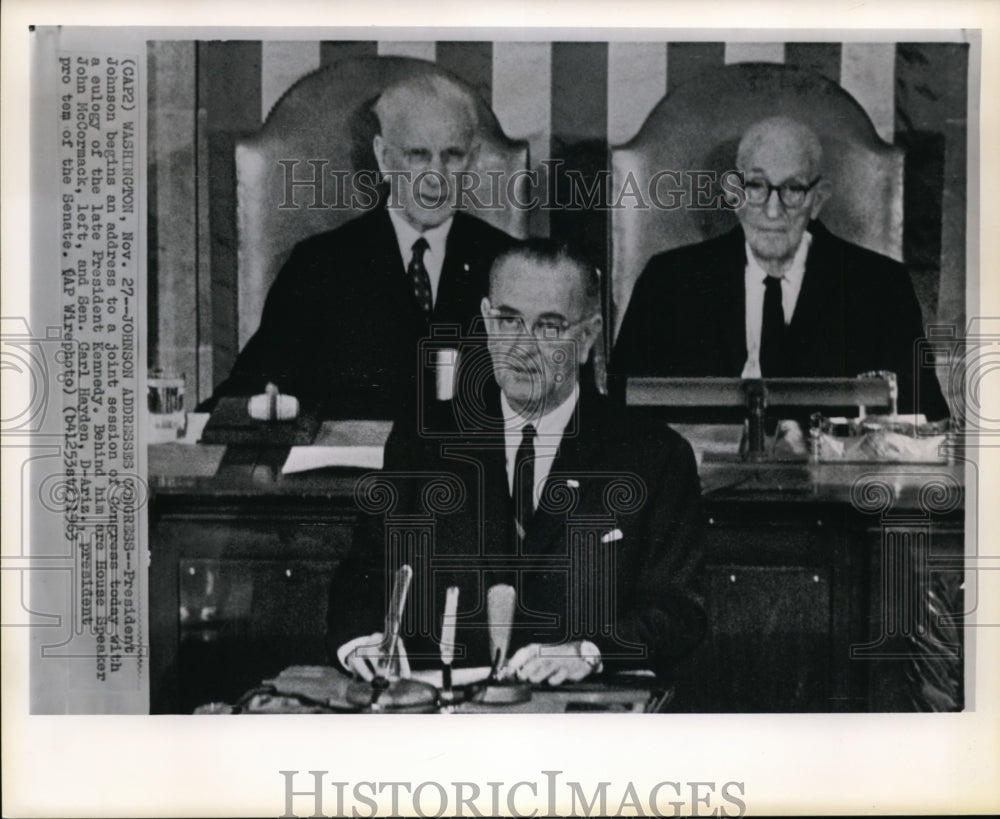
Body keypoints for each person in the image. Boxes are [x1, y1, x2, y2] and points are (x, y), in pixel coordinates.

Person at [326, 240, 706, 686]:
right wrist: (359, 643)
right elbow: (364, 575)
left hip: (584, 723)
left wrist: (590, 653)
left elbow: (679, 612)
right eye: (509, 321)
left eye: (548, 327)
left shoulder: (654, 457)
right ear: (488, 322)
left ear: (586, 337)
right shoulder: (422, 445)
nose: (522, 348)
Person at [204, 73, 514, 419]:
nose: (435, 175)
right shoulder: (319, 266)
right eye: (418, 155)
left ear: (472, 161)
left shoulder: (510, 264)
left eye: (453, 156)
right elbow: (249, 390)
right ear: (383, 158)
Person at [611, 115, 950, 420]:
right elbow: (619, 412)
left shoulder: (882, 289)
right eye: (756, 186)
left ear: (817, 199)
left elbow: (925, 420)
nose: (773, 211)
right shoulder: (668, 282)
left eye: (792, 189)